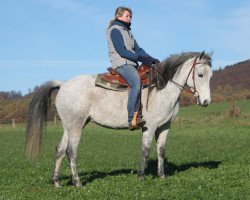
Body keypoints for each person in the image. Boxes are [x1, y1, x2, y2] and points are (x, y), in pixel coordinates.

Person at [106, 6, 159, 130]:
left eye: (130, 17)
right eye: (127, 16)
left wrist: (151, 60)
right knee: (136, 81)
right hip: (121, 63)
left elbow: (139, 50)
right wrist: (140, 58)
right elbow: (122, 51)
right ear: (119, 17)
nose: (130, 18)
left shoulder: (128, 32)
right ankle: (131, 119)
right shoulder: (115, 30)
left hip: (131, 62)